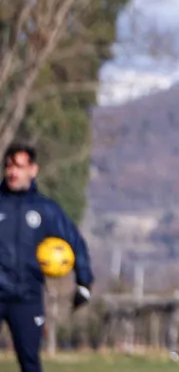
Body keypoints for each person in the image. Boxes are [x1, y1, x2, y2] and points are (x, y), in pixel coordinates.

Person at [0, 143, 94, 372]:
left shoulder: (46, 210)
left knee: (30, 363)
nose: (13, 172)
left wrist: (84, 282)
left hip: (28, 297)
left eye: (20, 167)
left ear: (33, 170)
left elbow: (75, 242)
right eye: (9, 166)